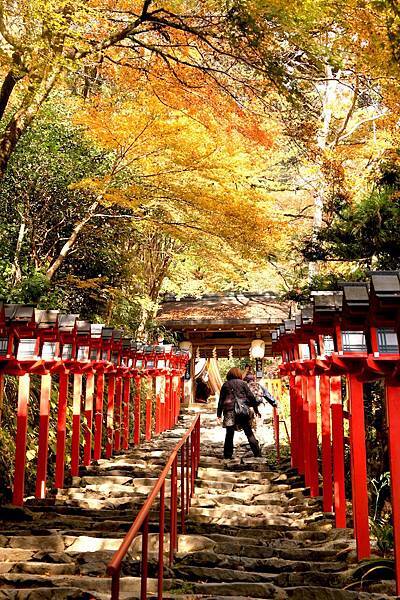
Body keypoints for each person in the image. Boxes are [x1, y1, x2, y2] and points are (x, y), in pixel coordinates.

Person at [217, 367, 261, 459]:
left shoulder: (225, 385)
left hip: (229, 411)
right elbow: (251, 397)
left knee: (229, 433)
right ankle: (257, 453)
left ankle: (227, 455)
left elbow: (221, 400)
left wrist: (219, 415)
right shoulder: (243, 384)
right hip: (242, 410)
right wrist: (256, 410)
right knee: (248, 432)